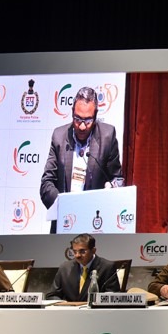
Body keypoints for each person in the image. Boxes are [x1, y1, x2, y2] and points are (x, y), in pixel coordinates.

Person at [40, 86, 124, 232]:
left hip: (95, 223)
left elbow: (117, 179)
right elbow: (46, 183)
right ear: (72, 113)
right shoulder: (59, 136)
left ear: (95, 116)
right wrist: (64, 205)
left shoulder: (107, 136)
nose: (82, 126)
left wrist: (111, 187)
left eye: (88, 120)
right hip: (64, 221)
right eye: (78, 119)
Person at [47, 233, 120, 300]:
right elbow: (52, 295)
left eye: (82, 251)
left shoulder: (107, 267)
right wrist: (63, 304)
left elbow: (113, 296)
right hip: (69, 309)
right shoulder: (65, 268)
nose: (77, 255)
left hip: (95, 309)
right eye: (75, 252)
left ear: (93, 250)